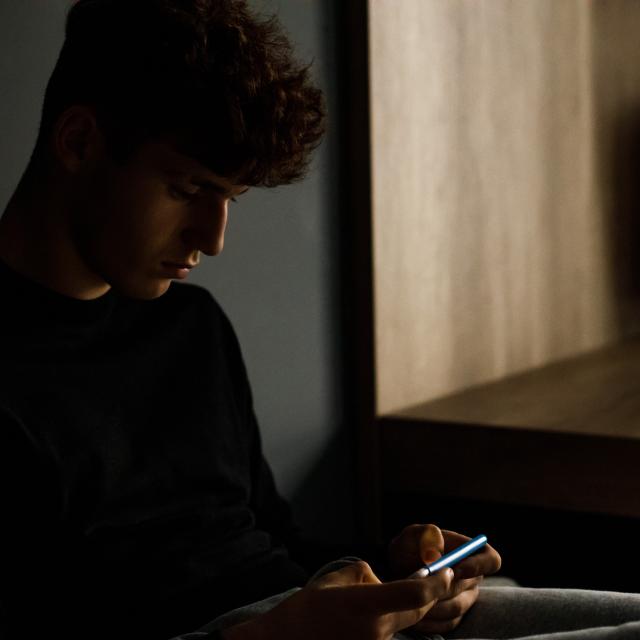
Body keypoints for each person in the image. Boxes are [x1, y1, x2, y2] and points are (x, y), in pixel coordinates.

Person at [0, 1, 638, 639]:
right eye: (187, 190)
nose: (214, 238)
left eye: (231, 198)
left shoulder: (191, 325)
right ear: (79, 142)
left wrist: (385, 570)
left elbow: (272, 541)